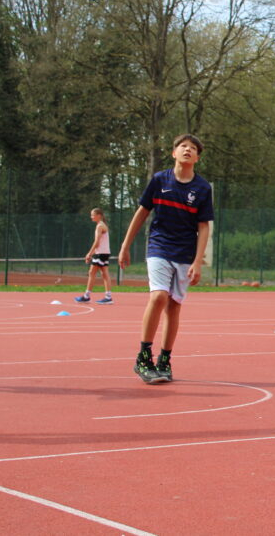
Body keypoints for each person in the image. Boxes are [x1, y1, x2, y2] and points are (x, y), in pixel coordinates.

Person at [119, 134, 214, 384]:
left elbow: (204, 226)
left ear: (197, 158)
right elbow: (142, 212)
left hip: (185, 252)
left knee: (174, 306)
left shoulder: (202, 188)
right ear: (174, 153)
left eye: (193, 148)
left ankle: (164, 360)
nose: (187, 150)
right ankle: (143, 357)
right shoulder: (160, 180)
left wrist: (198, 261)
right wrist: (125, 245)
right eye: (183, 146)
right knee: (159, 296)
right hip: (159, 246)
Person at [75, 208, 113, 305]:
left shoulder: (100, 226)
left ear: (99, 215)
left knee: (93, 272)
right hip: (104, 252)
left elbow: (97, 241)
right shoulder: (102, 225)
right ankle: (107, 297)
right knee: (103, 273)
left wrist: (89, 253)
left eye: (93, 215)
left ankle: (87, 296)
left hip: (101, 253)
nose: (91, 217)